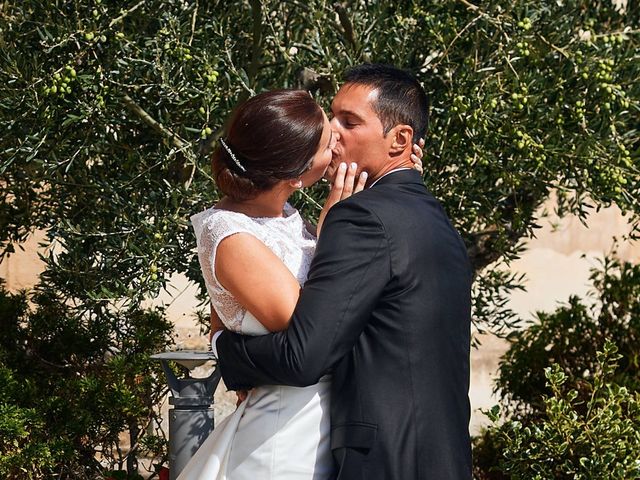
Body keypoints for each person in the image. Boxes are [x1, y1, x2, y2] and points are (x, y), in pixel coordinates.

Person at [213, 64, 473, 479]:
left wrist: (224, 347)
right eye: (333, 116)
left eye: (349, 122)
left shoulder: (362, 219)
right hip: (441, 455)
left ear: (401, 139)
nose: (333, 132)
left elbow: (303, 357)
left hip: (383, 459)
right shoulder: (434, 218)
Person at [181, 87, 424, 479]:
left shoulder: (284, 215)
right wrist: (333, 235)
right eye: (329, 144)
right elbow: (310, 329)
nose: (338, 140)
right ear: (295, 175)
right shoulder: (231, 234)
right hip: (284, 436)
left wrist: (396, 176)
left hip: (322, 422)